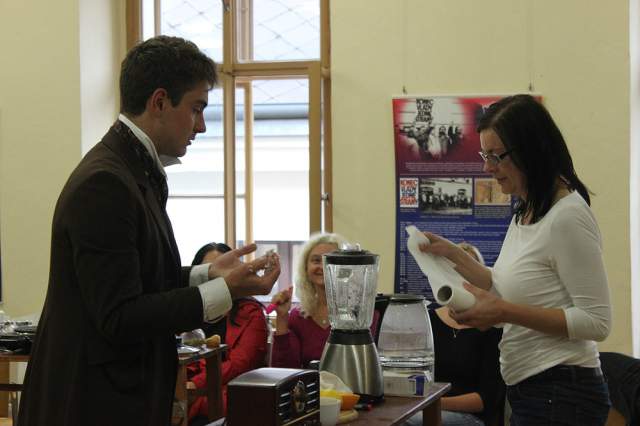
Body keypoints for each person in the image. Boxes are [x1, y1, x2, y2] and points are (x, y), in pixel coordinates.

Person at [17, 36, 280, 426]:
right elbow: (120, 315)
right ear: (159, 102)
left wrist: (208, 274)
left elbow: (136, 279)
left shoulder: (130, 169)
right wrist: (226, 291)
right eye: (196, 109)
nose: (202, 126)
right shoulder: (105, 183)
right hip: (92, 404)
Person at [420, 94, 612, 425]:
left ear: (531, 150)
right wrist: (452, 254)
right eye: (485, 155)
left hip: (562, 393)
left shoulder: (567, 216)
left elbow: (597, 322)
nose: (487, 167)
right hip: (533, 390)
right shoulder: (526, 209)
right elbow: (503, 285)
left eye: (496, 156)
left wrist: (503, 312)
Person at [406, 243, 503, 426]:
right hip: (426, 410)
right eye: (451, 271)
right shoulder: (429, 320)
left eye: (466, 272)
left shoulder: (491, 326)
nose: (459, 278)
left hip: (471, 417)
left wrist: (433, 404)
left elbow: (486, 399)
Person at [186, 243, 269, 426]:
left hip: (231, 398)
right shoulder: (186, 312)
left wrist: (196, 385)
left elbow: (241, 364)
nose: (215, 278)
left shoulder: (250, 312)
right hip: (186, 395)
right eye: (208, 271)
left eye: (222, 271)